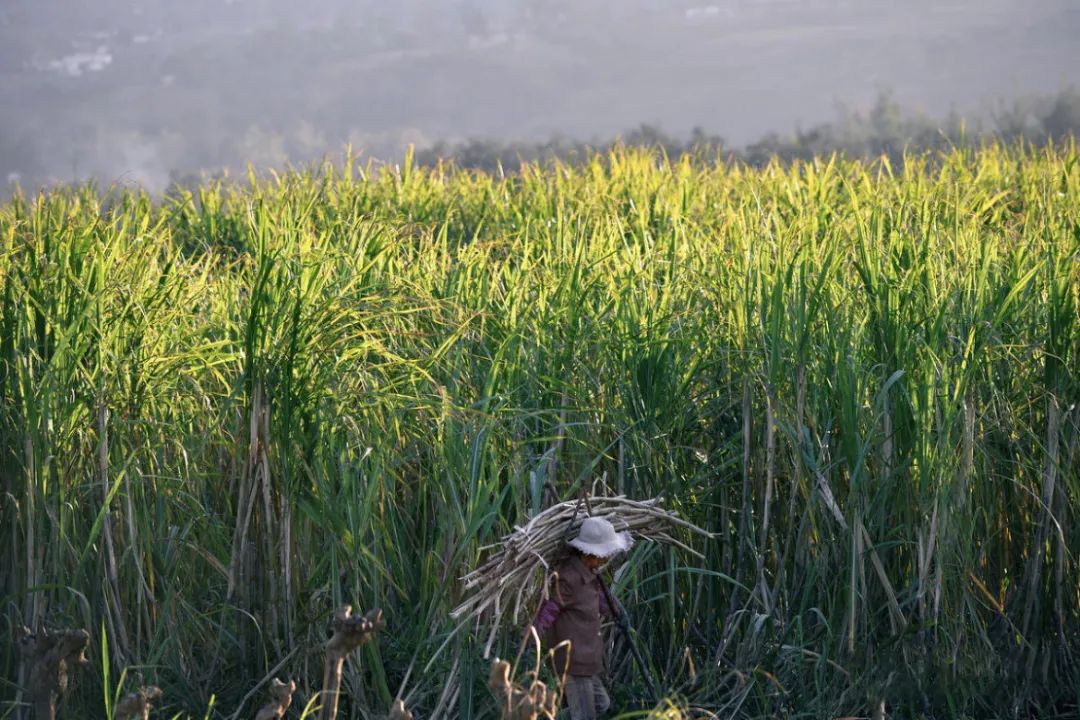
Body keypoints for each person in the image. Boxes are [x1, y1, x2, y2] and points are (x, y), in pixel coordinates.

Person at [527, 516, 633, 720]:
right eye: (601, 555)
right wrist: (532, 637)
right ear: (587, 553)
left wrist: (618, 613)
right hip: (573, 661)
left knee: (602, 704)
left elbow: (598, 600)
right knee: (585, 716)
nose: (604, 560)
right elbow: (548, 610)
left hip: (588, 660)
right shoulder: (568, 578)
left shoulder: (589, 574)